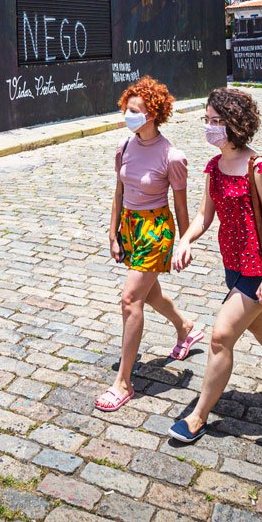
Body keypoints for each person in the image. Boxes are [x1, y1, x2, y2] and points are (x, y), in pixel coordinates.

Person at [167, 87, 262, 441]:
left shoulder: (259, 168)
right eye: (207, 121)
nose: (210, 127)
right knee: (257, 328)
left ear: (236, 124)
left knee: (222, 335)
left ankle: (197, 417)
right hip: (233, 263)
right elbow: (203, 215)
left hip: (259, 268)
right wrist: (186, 239)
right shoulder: (214, 166)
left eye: (216, 121)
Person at [96, 76, 205, 412]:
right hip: (130, 225)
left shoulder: (172, 156)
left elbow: (181, 205)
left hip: (156, 230)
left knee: (131, 299)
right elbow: (119, 192)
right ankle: (185, 328)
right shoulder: (125, 147)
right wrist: (113, 234)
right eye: (126, 108)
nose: (127, 115)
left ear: (153, 114)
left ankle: (124, 383)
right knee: (149, 293)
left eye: (134, 111)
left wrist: (184, 242)